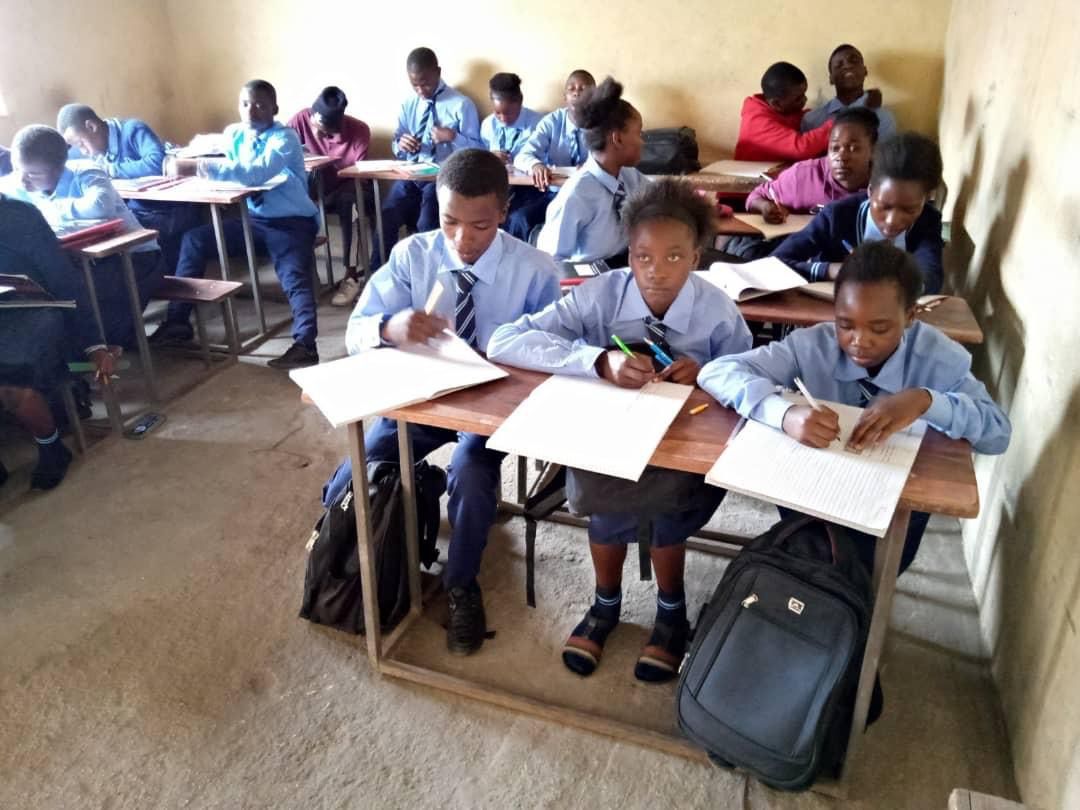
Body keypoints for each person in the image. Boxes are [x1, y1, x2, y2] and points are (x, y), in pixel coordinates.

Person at [489, 179, 752, 680]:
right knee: (602, 494)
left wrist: (707, 371)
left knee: (669, 507)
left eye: (674, 257)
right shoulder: (600, 295)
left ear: (696, 257)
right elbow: (506, 340)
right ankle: (605, 602)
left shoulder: (718, 310)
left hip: (682, 440)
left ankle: (671, 611)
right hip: (611, 432)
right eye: (642, 256)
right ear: (628, 254)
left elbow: (750, 372)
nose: (656, 271)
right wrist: (596, 360)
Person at [323, 149, 559, 655]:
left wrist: (515, 361)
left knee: (471, 475)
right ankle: (342, 541)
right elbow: (355, 330)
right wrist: (389, 327)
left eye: (480, 225)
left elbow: (557, 348)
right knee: (360, 468)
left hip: (493, 405)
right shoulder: (414, 256)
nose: (462, 239)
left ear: (504, 211)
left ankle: (460, 583)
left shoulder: (536, 270)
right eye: (450, 221)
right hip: (424, 398)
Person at [698, 241, 1010, 574]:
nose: (859, 340)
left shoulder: (937, 357)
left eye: (879, 328)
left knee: (869, 572)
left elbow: (997, 435)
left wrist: (927, 401)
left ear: (910, 316)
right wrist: (784, 414)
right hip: (812, 496)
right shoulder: (813, 344)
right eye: (845, 325)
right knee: (807, 564)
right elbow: (715, 372)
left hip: (891, 504)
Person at [150, 79, 321, 369]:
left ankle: (305, 345)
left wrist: (198, 167)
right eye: (245, 104)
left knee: (294, 276)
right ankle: (177, 321)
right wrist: (189, 158)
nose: (251, 111)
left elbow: (255, 173)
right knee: (195, 239)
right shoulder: (236, 134)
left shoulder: (285, 138)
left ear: (275, 109)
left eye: (260, 105)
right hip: (253, 220)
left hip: (292, 223)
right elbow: (224, 160)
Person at [2, 125, 165, 348]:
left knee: (84, 300)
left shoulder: (86, 172)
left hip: (138, 259)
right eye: (17, 169)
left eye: (33, 174)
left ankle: (103, 345)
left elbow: (100, 206)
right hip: (87, 261)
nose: (23, 181)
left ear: (59, 168)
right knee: (51, 288)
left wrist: (43, 211)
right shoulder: (18, 182)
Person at [0, 194, 117, 490]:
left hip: (34, 311)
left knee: (11, 378)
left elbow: (64, 280)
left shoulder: (18, 215)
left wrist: (95, 344)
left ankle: (51, 447)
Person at [773, 132, 945, 293]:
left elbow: (931, 275)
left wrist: (893, 279)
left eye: (909, 210)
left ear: (926, 199)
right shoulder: (837, 216)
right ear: (870, 190)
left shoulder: (927, 221)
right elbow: (773, 264)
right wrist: (833, 270)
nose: (892, 221)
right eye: (884, 206)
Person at [56, 103, 201, 276]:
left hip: (169, 211)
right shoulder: (90, 149)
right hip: (138, 211)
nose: (83, 151)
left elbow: (157, 163)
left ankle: (148, 281)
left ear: (91, 127)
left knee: (120, 238)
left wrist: (109, 170)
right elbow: (69, 164)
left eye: (81, 144)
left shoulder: (133, 129)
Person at [725, 107, 880, 261]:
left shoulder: (883, 186)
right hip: (798, 256)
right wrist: (766, 207)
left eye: (853, 148)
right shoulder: (805, 175)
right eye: (834, 148)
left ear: (873, 150)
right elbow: (756, 196)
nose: (841, 157)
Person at [375, 47, 481, 266]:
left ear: (438, 72)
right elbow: (397, 140)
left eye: (425, 84)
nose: (421, 90)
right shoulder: (409, 104)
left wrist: (453, 137)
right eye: (414, 85)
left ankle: (429, 276)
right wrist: (401, 144)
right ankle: (379, 275)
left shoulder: (461, 104)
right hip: (411, 174)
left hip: (444, 177)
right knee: (386, 215)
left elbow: (478, 151)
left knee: (427, 223)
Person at [536, 77, 647, 264]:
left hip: (623, 266)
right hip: (587, 274)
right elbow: (549, 263)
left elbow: (661, 198)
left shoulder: (628, 176)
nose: (643, 142)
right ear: (618, 139)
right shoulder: (576, 195)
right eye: (639, 133)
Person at [287, 86, 372, 307]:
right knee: (291, 197)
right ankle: (306, 273)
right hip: (311, 189)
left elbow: (357, 175)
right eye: (315, 128)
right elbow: (284, 156)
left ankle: (351, 276)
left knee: (351, 203)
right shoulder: (299, 120)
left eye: (325, 133)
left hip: (345, 188)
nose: (317, 136)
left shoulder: (359, 131)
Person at [509, 69, 596, 241]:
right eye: (571, 88)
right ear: (565, 97)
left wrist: (592, 167)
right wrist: (536, 165)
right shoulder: (552, 122)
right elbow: (523, 155)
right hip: (555, 193)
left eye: (583, 88)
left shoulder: (604, 124)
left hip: (590, 195)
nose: (577, 92)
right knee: (520, 220)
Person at [479, 73, 543, 238]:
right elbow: (479, 157)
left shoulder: (537, 125)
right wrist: (490, 158)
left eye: (508, 113)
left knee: (514, 219)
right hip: (497, 185)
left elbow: (543, 160)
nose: (503, 118)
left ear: (520, 102)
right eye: (497, 113)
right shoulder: (488, 125)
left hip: (528, 188)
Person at [734, 62, 833, 162]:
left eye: (804, 94)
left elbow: (799, 119)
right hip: (754, 171)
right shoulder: (757, 122)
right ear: (776, 103)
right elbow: (801, 148)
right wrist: (835, 125)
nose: (805, 100)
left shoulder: (782, 109)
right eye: (798, 99)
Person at [801, 44, 898, 141]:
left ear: (865, 71)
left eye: (854, 61)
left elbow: (883, 150)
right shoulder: (812, 120)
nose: (847, 66)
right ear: (831, 79)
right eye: (839, 65)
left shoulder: (883, 117)